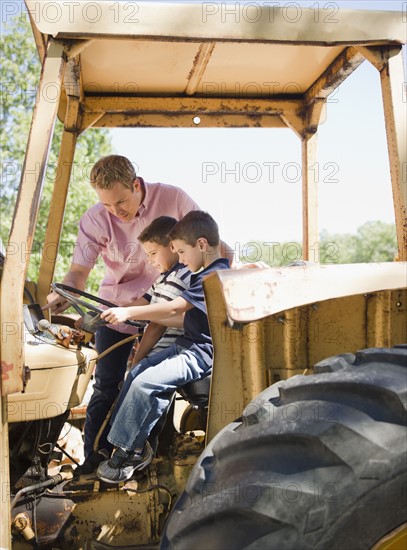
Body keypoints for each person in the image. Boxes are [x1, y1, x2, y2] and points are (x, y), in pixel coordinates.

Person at [43, 155, 200, 473]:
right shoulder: (95, 220)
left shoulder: (174, 199)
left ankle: (151, 459)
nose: (116, 212)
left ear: (136, 185)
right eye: (107, 205)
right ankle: (94, 461)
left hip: (165, 307)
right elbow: (77, 272)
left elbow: (207, 245)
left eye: (121, 202)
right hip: (117, 309)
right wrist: (66, 293)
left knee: (157, 383)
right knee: (106, 385)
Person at [96, 211, 229, 483]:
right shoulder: (206, 272)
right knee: (136, 373)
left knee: (147, 383)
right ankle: (125, 443)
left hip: (201, 353)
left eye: (182, 252)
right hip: (186, 344)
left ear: (202, 245)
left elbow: (175, 307)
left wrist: (128, 313)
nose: (180, 259)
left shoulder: (214, 275)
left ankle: (132, 452)